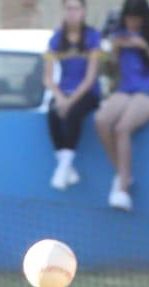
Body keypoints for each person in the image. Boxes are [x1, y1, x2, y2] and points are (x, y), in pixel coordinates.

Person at [94, 0, 149, 210]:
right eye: (129, 19)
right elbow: (111, 69)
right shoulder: (119, 32)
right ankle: (123, 173)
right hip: (126, 88)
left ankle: (122, 189)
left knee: (122, 127)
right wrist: (114, 49)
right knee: (102, 120)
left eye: (136, 20)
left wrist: (144, 47)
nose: (132, 24)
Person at [45, 0, 103, 190]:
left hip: (87, 93)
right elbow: (48, 78)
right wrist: (61, 98)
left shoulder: (93, 38)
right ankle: (66, 167)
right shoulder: (56, 39)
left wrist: (70, 101)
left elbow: (90, 77)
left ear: (84, 11)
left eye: (76, 9)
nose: (72, 13)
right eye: (68, 9)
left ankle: (63, 168)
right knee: (53, 114)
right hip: (64, 91)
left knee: (74, 114)